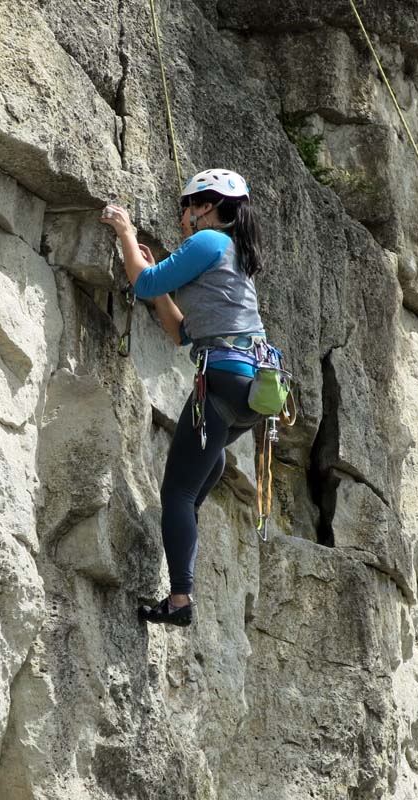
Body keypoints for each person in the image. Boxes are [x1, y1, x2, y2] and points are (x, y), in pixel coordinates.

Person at [100, 169, 267, 628]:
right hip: (249, 392)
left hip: (222, 381)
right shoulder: (232, 256)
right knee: (199, 476)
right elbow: (180, 332)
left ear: (206, 207)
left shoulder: (208, 242)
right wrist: (146, 267)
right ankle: (183, 555)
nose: (182, 217)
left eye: (187, 207)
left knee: (176, 490)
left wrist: (126, 234)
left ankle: (179, 599)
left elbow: (145, 283)